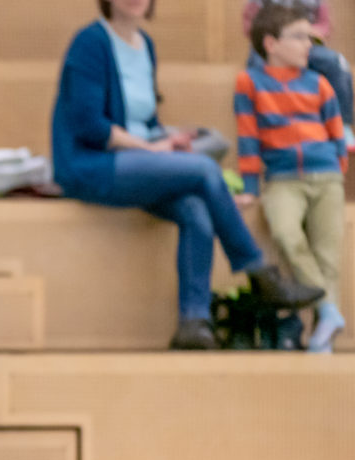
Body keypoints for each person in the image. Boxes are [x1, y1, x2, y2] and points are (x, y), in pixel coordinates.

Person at [52, 0, 325, 350]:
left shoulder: (144, 45)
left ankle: (193, 322)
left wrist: (167, 140)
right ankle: (259, 273)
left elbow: (144, 119)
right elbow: (89, 124)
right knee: (204, 170)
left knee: (195, 207)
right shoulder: (90, 42)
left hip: (137, 159)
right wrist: (151, 150)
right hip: (91, 163)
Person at [235, 3, 348, 352]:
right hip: (283, 178)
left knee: (327, 255)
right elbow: (248, 138)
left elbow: (336, 133)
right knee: (287, 235)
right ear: (270, 44)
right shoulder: (249, 83)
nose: (308, 45)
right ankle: (328, 309)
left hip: (326, 176)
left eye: (309, 37)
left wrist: (336, 169)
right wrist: (251, 187)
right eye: (299, 37)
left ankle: (322, 338)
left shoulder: (320, 84)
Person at [242, 0, 355, 149]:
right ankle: (265, 123)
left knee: (336, 62)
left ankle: (343, 124)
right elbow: (248, 23)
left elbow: (325, 25)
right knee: (255, 67)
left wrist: (306, 33)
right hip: (268, 45)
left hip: (303, 44)